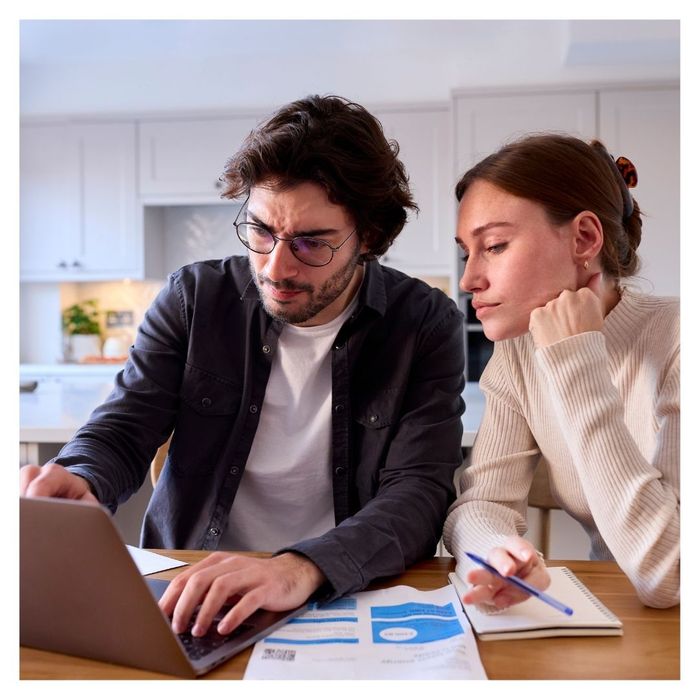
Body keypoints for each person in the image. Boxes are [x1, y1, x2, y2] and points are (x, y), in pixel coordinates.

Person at [20, 94, 466, 637]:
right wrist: (81, 474)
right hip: (186, 586)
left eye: (311, 243)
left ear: (368, 237)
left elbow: (418, 492)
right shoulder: (195, 297)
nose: (276, 267)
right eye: (260, 231)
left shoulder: (422, 321)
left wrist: (301, 567)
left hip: (340, 591)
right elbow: (124, 427)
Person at [443, 133, 679, 609]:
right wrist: (495, 555)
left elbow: (670, 574)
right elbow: (482, 502)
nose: (469, 280)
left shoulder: (678, 338)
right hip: (617, 617)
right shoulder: (520, 353)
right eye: (467, 252)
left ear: (584, 239)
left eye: (495, 245)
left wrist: (576, 357)